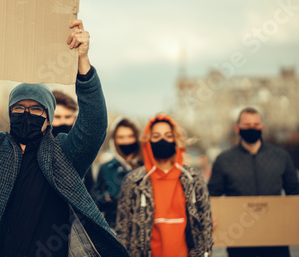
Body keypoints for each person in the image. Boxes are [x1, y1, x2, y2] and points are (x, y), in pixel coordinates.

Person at [0, 20, 130, 256]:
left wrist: (83, 65)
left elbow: (94, 125)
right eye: (19, 108)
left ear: (49, 118)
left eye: (35, 110)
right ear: (10, 113)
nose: (26, 114)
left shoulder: (65, 153)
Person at [116, 114, 213, 256]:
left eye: (168, 136)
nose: (163, 140)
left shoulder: (192, 179)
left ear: (176, 139)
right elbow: (123, 229)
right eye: (156, 136)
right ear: (148, 141)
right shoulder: (134, 181)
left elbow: (205, 224)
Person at [208, 107, 299, 257]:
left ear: (262, 128)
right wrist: (210, 220)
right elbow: (212, 196)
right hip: (239, 239)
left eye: (256, 125)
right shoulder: (224, 160)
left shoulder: (280, 157)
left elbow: (294, 192)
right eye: (247, 125)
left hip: (276, 238)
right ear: (237, 128)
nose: (252, 128)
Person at [93, 117, 143, 228]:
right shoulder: (106, 167)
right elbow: (94, 202)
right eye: (121, 137)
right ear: (114, 140)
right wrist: (105, 198)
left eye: (130, 136)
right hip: (115, 229)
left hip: (143, 232)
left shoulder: (147, 166)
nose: (126, 141)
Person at [52, 89, 94, 194]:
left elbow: (90, 189)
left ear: (75, 118)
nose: (63, 122)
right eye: (57, 117)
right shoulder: (38, 149)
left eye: (67, 117)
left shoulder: (81, 150)